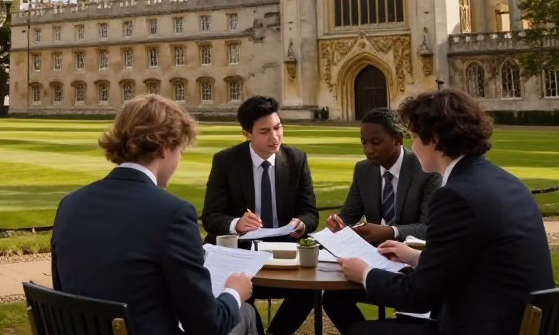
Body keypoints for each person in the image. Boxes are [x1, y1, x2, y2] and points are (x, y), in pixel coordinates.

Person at [339, 89, 554, 335]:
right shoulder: (505, 180)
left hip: (485, 324)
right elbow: (477, 259)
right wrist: (417, 258)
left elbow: (419, 295)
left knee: (361, 332)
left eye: (414, 137)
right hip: (518, 319)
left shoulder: (455, 195)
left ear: (434, 140)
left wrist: (365, 273)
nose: (412, 146)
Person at [51, 94, 258, 335]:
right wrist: (233, 292)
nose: (179, 159)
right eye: (180, 150)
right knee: (245, 313)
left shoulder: (70, 205)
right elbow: (207, 326)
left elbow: (65, 292)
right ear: (163, 148)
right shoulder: (173, 214)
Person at [271, 107, 441, 335]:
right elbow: (349, 214)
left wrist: (389, 231)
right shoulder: (363, 170)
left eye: (376, 142)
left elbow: (428, 228)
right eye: (364, 142)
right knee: (333, 298)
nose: (368, 150)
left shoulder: (426, 171)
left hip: (413, 270)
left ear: (398, 139)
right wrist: (337, 223)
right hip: (375, 262)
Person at [201, 95, 319, 335]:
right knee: (239, 295)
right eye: (264, 131)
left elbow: (310, 212)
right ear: (247, 134)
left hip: (285, 249)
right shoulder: (226, 161)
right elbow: (211, 216)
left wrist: (301, 224)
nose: (274, 137)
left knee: (310, 290)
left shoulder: (297, 159)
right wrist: (237, 224)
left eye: (278, 128)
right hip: (241, 252)